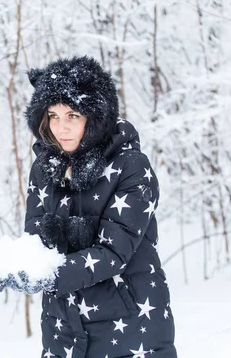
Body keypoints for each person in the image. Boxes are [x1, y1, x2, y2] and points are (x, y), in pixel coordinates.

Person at [21, 56, 177, 357]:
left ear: (95, 117)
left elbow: (114, 251)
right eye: (52, 116)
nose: (61, 128)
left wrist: (49, 274)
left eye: (72, 116)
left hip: (130, 327)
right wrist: (17, 264)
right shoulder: (44, 168)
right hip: (62, 327)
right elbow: (36, 239)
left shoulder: (130, 166)